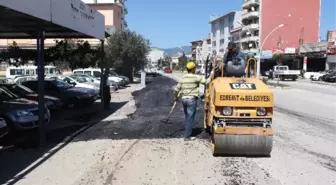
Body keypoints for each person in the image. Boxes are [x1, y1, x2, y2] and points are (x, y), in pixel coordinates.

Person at [174, 62, 210, 141]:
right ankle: (187, 136)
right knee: (190, 118)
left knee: (187, 117)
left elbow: (176, 89)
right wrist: (213, 75)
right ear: (193, 69)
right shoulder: (196, 77)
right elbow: (207, 81)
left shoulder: (183, 78)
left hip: (184, 99)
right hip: (191, 100)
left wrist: (176, 97)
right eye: (195, 68)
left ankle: (187, 132)